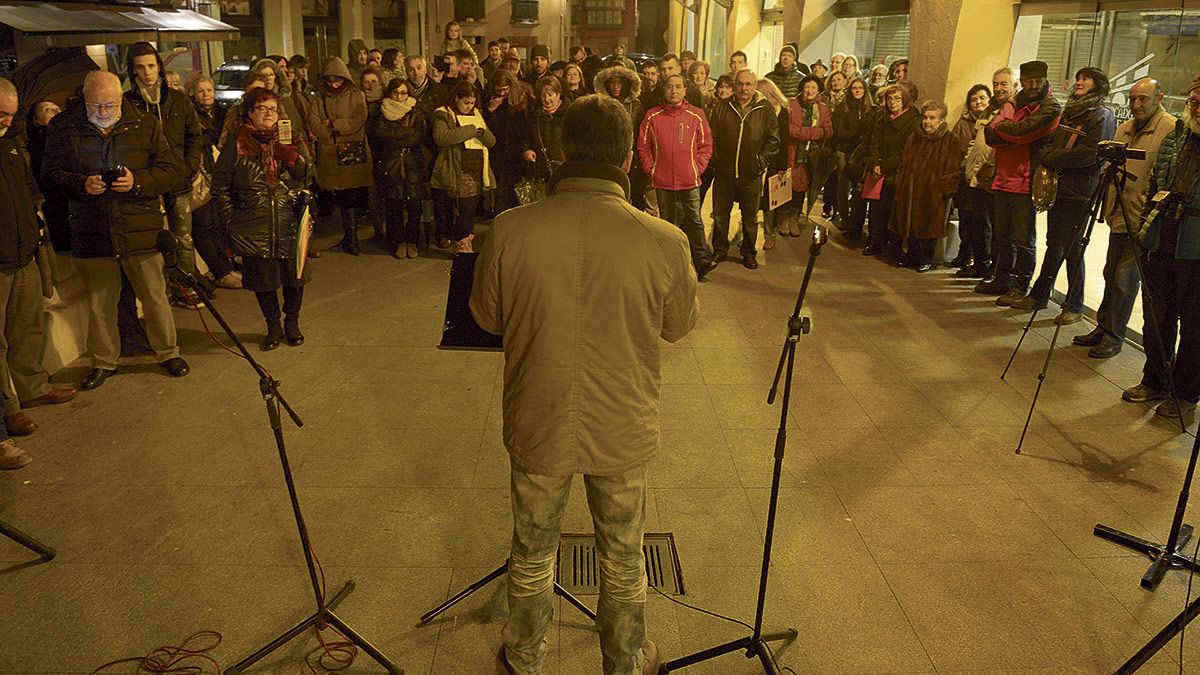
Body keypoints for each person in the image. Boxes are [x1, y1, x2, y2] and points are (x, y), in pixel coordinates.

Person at [470, 93, 698, 675]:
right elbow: (678, 326)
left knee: (531, 551)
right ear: (629, 157)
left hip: (538, 413)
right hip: (622, 419)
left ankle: (524, 657)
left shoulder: (509, 229)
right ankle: (623, 661)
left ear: (560, 149)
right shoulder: (664, 239)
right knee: (623, 556)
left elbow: (488, 318)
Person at [41, 71, 188, 390]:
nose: (104, 111)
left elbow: (172, 171)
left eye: (109, 104)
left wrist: (138, 182)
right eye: (96, 105)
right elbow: (49, 175)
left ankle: (167, 352)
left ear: (121, 99)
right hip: (92, 230)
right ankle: (104, 361)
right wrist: (79, 184)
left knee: (154, 296)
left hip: (140, 228)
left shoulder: (145, 123)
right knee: (100, 302)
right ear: (84, 98)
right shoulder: (64, 128)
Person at [1074, 77, 1176, 359]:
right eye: (1132, 99)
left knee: (1124, 278)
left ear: (1159, 98)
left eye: (1143, 99)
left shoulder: (1169, 129)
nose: (1136, 104)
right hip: (1118, 212)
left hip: (1142, 218)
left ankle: (1114, 335)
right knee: (1110, 272)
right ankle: (1103, 326)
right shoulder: (1124, 128)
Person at [0, 78, 78, 439]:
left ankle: (32, 387)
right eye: (1, 114)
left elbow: (31, 192)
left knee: (28, 328)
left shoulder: (11, 146)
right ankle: (9, 411)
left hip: (23, 254)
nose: (6, 121)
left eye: (12, 115)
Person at [1120, 75, 1200, 421]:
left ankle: (1184, 393)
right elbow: (1156, 181)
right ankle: (1154, 378)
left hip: (1196, 248)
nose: (1196, 108)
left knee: (1195, 324)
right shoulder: (1178, 135)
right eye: (1194, 101)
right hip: (1163, 235)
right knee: (1157, 316)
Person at [1010, 67, 1116, 324]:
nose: (1079, 82)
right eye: (1078, 78)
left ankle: (1074, 305)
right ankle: (1039, 295)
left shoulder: (1101, 115)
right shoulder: (1070, 111)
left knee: (1073, 248)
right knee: (1054, 244)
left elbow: (1090, 154)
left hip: (1079, 191)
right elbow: (1050, 142)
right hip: (1061, 188)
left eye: (1085, 79)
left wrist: (1052, 158)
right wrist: (1049, 156)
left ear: (1098, 85)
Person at [212, 88, 313, 351]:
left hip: (288, 218)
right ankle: (273, 326)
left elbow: (306, 174)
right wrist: (231, 219)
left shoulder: (288, 138)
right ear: (249, 113)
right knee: (263, 280)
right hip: (253, 223)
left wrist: (288, 154)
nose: (269, 114)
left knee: (294, 276)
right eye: (262, 109)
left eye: (273, 109)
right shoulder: (237, 143)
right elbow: (220, 185)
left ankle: (292, 322)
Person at [983, 60, 1062, 306]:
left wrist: (1006, 131)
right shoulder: (1014, 101)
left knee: (1023, 237)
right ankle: (1002, 279)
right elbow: (989, 133)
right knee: (1002, 234)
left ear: (1045, 79)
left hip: (1027, 178)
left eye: (1037, 81)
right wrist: (1011, 132)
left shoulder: (1051, 107)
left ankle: (1020, 285)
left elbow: (1022, 132)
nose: (1032, 86)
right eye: (1028, 81)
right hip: (1004, 176)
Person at [124, 42, 203, 281]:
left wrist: (189, 166)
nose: (147, 72)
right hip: (148, 180)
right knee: (154, 239)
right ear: (133, 70)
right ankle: (164, 287)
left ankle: (188, 284)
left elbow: (194, 135)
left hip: (178, 177)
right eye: (141, 67)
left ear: (159, 66)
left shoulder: (178, 100)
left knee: (183, 236)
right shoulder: (127, 103)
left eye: (151, 65)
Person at [638, 74, 713, 279]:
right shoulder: (652, 116)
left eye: (678, 87)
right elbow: (643, 147)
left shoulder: (696, 115)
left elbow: (706, 146)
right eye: (670, 87)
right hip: (662, 180)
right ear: (664, 90)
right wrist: (651, 170)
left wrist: (696, 169)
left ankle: (701, 261)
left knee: (695, 221)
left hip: (689, 180)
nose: (674, 90)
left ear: (685, 90)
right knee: (667, 224)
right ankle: (670, 263)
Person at [708, 69, 780, 270]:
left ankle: (748, 252)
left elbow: (773, 140)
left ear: (755, 86)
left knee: (749, 218)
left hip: (751, 174)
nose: (743, 88)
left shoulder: (764, 109)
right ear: (734, 85)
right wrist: (716, 159)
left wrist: (760, 161)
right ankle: (719, 250)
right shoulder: (723, 106)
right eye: (740, 84)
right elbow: (711, 135)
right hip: (724, 172)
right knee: (721, 214)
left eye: (748, 84)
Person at [309, 56, 373, 255]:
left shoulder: (356, 95)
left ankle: (352, 237)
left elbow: (358, 119)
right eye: (329, 80)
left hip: (351, 149)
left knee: (351, 194)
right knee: (340, 193)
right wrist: (327, 132)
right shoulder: (320, 98)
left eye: (337, 79)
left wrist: (333, 124)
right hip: (330, 150)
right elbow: (314, 120)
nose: (333, 84)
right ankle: (349, 236)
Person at [892, 100, 964, 271]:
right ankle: (912, 255)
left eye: (932, 118)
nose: (927, 122)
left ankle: (926, 258)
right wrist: (901, 181)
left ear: (941, 120)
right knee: (911, 223)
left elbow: (954, 168)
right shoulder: (915, 137)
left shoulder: (950, 140)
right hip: (911, 188)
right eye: (925, 117)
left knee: (928, 226)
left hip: (933, 192)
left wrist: (942, 188)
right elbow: (905, 161)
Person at [370, 78, 431, 258]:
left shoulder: (416, 111)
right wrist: (406, 132)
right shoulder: (381, 112)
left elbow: (418, 136)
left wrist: (401, 136)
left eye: (403, 92)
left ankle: (412, 241)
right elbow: (383, 135)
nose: (399, 96)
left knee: (414, 205)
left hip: (413, 163)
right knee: (394, 205)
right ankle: (398, 241)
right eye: (395, 92)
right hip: (391, 163)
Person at [189, 75, 240, 290]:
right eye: (201, 91)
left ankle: (224, 266)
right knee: (204, 224)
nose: (206, 95)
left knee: (218, 223)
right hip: (202, 174)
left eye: (209, 90)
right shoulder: (192, 114)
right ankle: (220, 271)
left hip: (217, 172)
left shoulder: (222, 112)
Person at [432, 81, 496, 253]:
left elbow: (491, 141)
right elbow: (442, 137)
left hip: (474, 171)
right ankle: (448, 236)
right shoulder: (443, 114)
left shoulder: (476, 114)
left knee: (468, 209)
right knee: (448, 208)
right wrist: (471, 130)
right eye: (466, 102)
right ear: (456, 98)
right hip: (453, 169)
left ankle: (463, 242)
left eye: (472, 103)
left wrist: (481, 132)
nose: (469, 106)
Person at [861, 83, 919, 258]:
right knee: (876, 209)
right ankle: (875, 241)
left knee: (893, 210)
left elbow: (905, 150)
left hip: (897, 172)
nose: (893, 102)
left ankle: (893, 245)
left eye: (897, 98)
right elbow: (875, 142)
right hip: (879, 169)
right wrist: (874, 163)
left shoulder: (913, 121)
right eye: (890, 98)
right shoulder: (883, 118)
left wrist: (885, 166)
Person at [952, 84, 997, 279]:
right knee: (968, 219)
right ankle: (967, 255)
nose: (977, 102)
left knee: (983, 224)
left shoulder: (992, 120)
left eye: (982, 98)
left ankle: (981, 262)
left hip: (984, 178)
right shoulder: (965, 123)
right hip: (968, 177)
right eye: (973, 99)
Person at [786, 74, 833, 234]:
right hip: (791, 153)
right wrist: (811, 132)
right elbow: (787, 128)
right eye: (807, 87)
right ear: (802, 88)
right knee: (786, 186)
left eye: (813, 87)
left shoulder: (823, 108)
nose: (809, 90)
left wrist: (802, 133)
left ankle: (794, 219)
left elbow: (827, 131)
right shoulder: (791, 104)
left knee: (801, 189)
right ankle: (783, 219)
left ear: (818, 90)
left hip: (809, 156)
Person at [483, 70, 530, 214]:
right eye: (499, 90)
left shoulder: (520, 98)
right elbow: (486, 127)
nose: (502, 94)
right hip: (498, 151)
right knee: (500, 191)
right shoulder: (491, 99)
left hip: (516, 151)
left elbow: (526, 127)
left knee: (515, 191)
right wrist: (490, 110)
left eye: (505, 90)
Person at [832, 75, 873, 234]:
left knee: (858, 188)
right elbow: (838, 130)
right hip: (844, 150)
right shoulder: (843, 107)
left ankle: (856, 220)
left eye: (860, 88)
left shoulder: (869, 109)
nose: (857, 91)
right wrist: (856, 134)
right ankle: (844, 217)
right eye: (854, 88)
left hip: (861, 154)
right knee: (843, 185)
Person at [755, 78, 790, 251]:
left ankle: (770, 234)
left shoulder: (781, 111)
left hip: (773, 161)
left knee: (770, 200)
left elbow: (784, 140)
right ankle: (749, 235)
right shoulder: (757, 109)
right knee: (753, 199)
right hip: (756, 159)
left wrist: (783, 166)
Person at [522, 76, 568, 198]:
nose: (547, 99)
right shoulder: (534, 116)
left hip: (564, 171)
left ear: (558, 94)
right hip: (541, 171)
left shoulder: (569, 114)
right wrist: (526, 150)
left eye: (550, 94)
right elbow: (526, 138)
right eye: (543, 95)